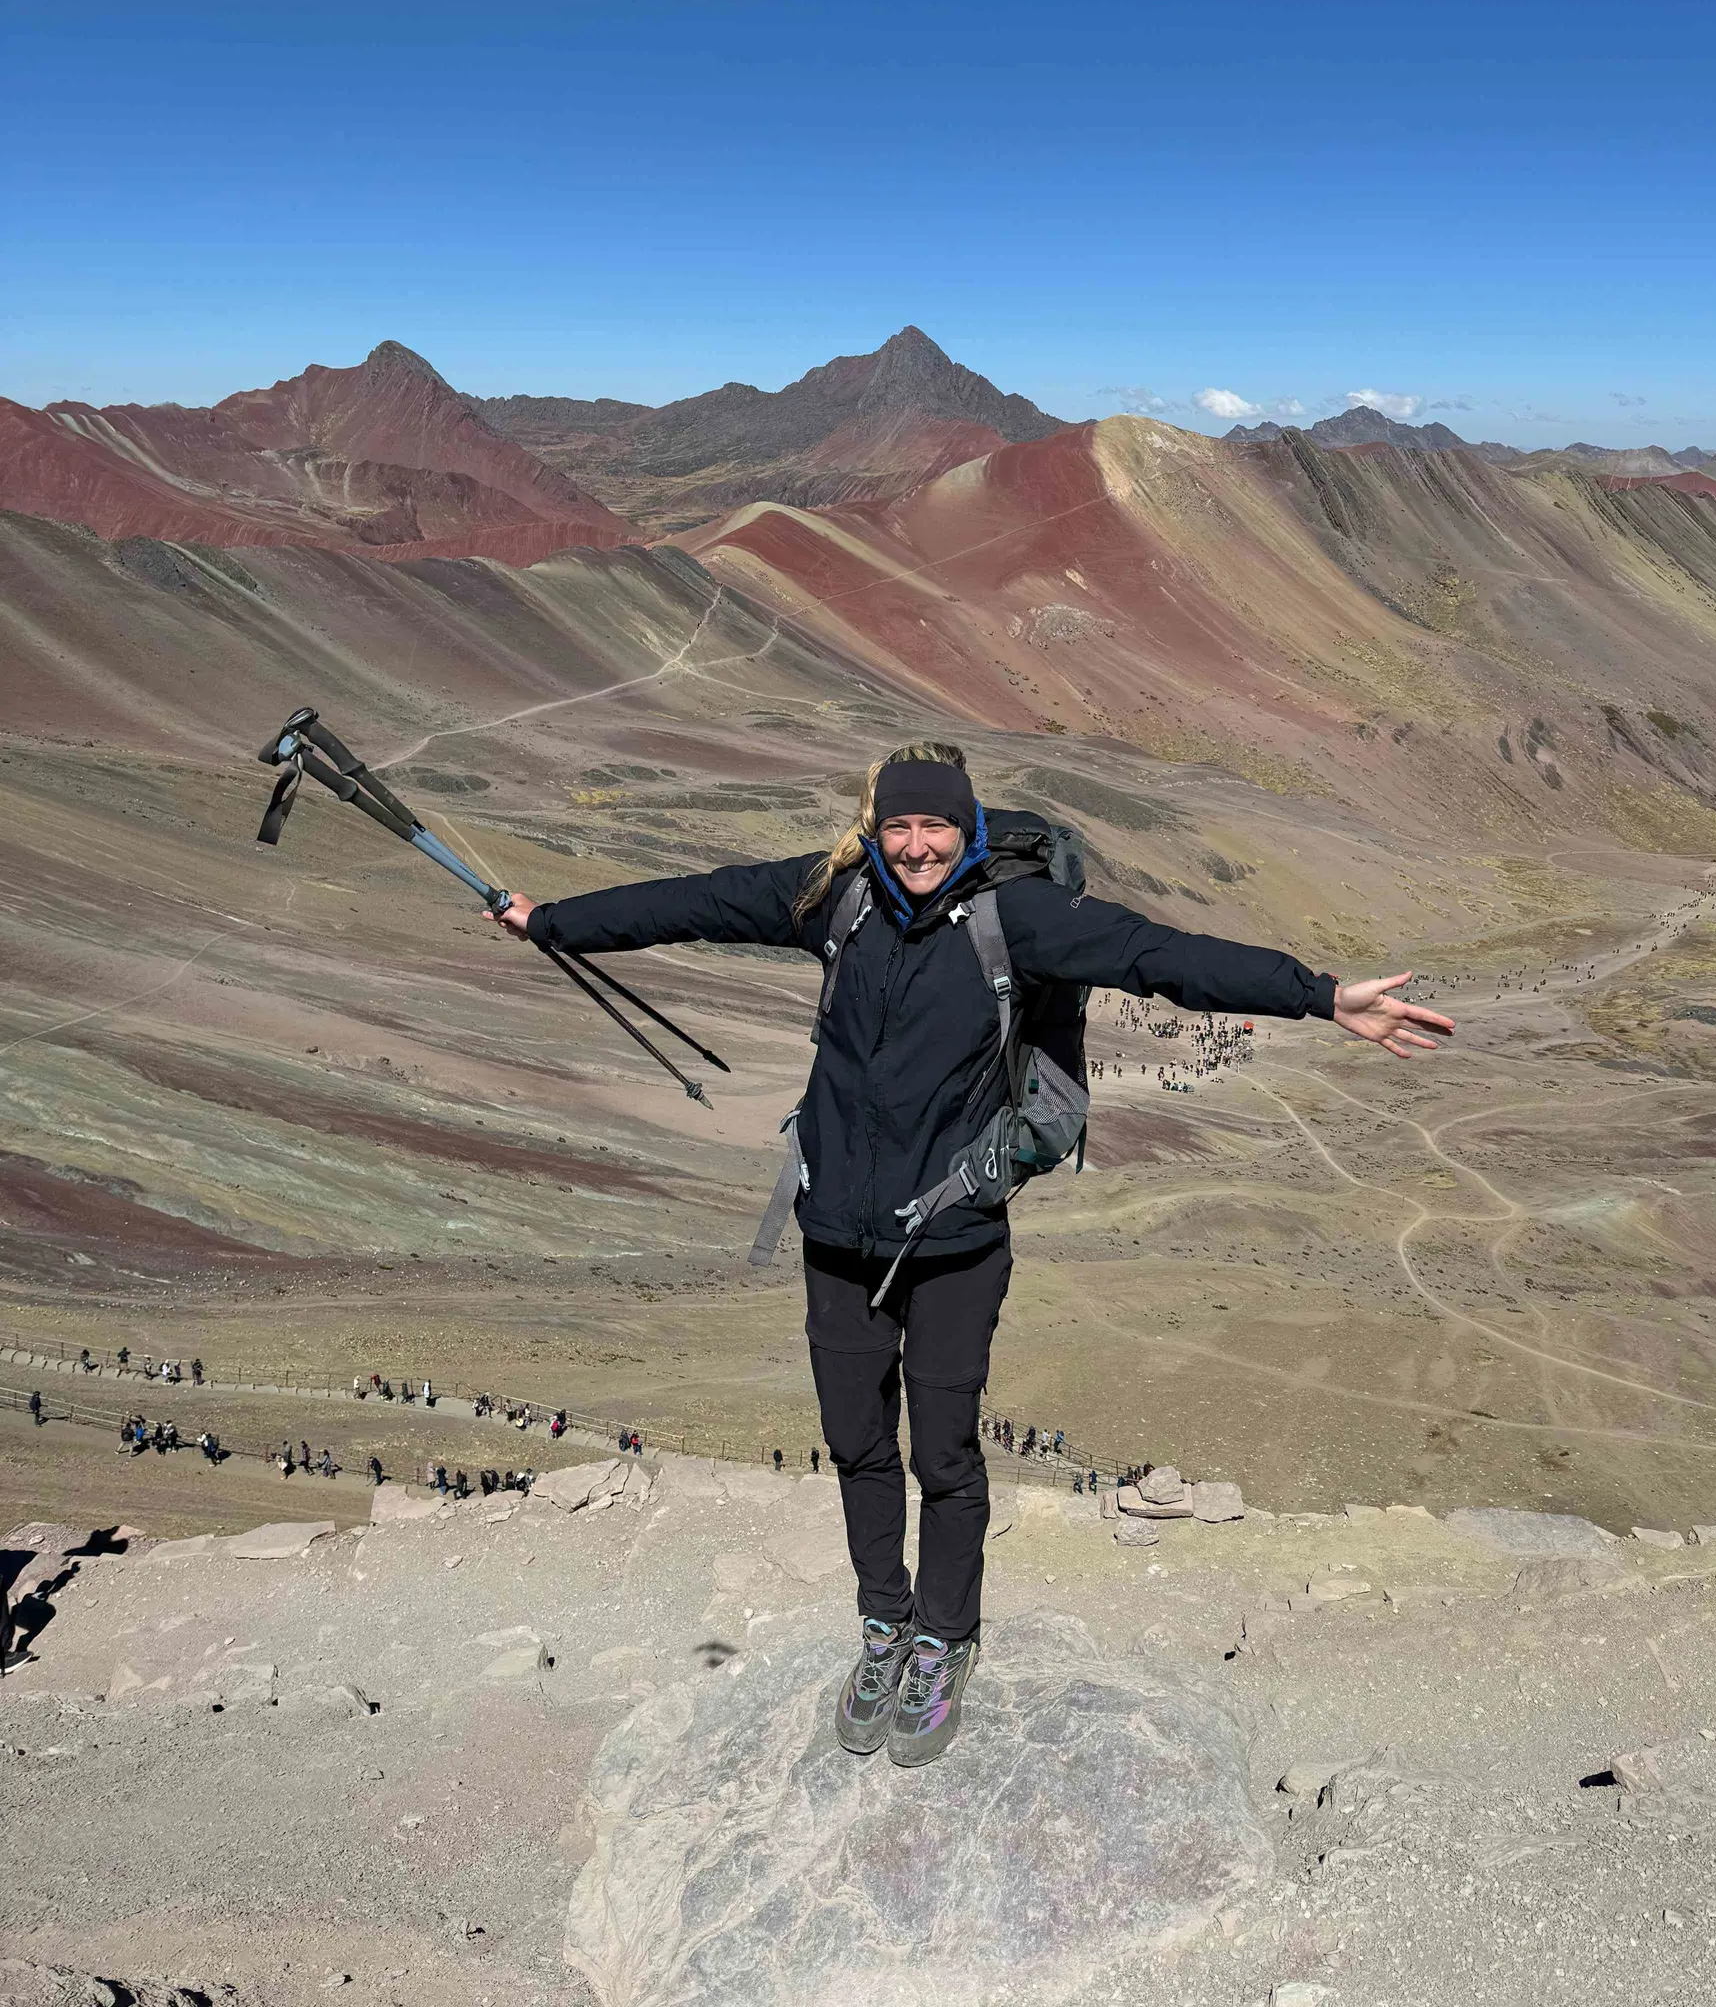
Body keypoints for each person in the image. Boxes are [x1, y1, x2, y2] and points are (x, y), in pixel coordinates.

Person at [491, 737, 1449, 1769]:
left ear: (969, 827)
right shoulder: (834, 899)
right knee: (857, 1446)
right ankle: (883, 1627)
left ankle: (945, 1639)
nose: (915, 846)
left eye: (936, 826)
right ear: (875, 828)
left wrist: (1320, 994)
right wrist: (553, 922)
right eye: (898, 825)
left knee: (942, 1457)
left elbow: (1156, 956)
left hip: (954, 1241)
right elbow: (696, 900)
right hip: (837, 1235)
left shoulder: (1016, 919)